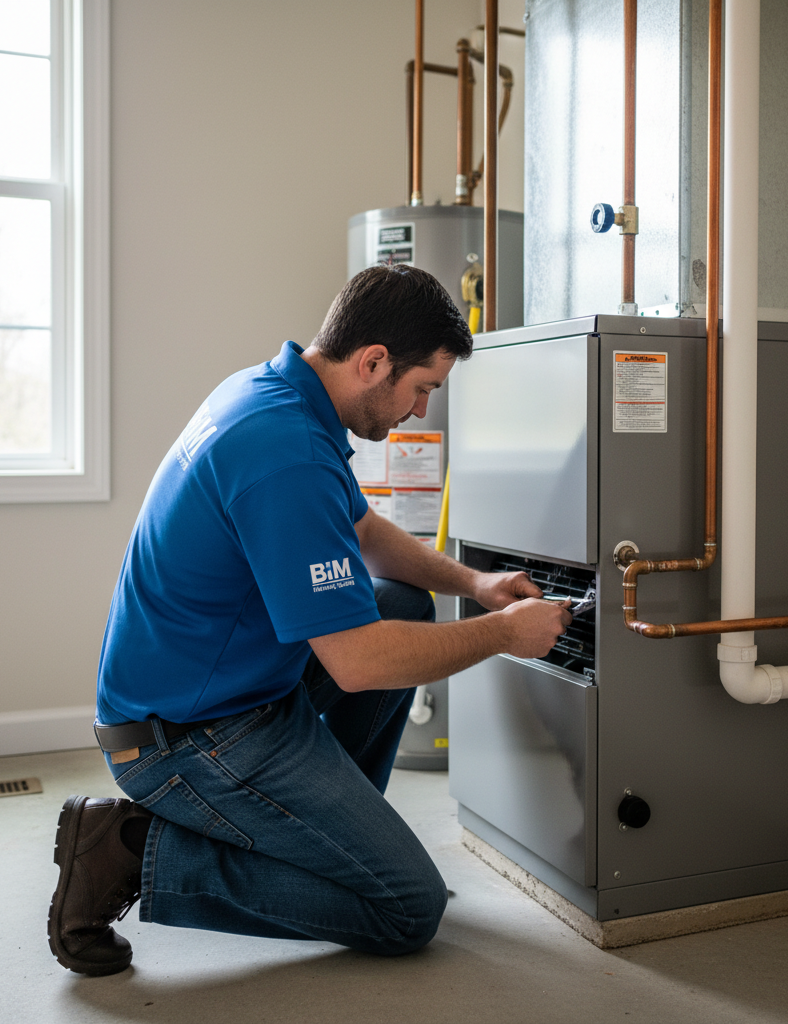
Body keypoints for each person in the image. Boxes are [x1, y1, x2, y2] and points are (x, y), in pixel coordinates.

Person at [47, 265, 572, 976]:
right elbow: (359, 664)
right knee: (407, 909)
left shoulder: (271, 394)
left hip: (219, 690)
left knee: (402, 603)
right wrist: (506, 634)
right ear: (373, 362)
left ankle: (326, 840)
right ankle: (134, 849)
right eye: (423, 388)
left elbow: (359, 529)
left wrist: (474, 582)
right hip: (183, 739)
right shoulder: (282, 453)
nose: (420, 411)